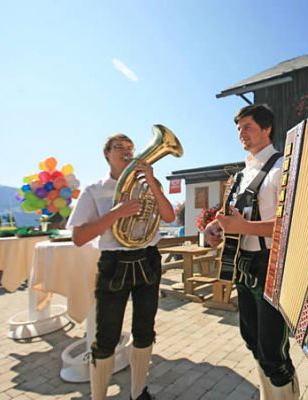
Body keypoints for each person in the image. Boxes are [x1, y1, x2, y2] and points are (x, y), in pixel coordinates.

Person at [68, 133, 175, 400]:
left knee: (144, 331)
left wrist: (151, 180)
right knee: (106, 336)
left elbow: (169, 216)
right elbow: (79, 237)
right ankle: (98, 396)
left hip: (148, 259)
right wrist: (117, 212)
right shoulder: (94, 190)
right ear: (107, 153)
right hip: (114, 263)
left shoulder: (148, 184)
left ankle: (138, 392)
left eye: (130, 148)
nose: (127, 152)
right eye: (119, 148)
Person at [204, 104, 300, 400]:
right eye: (238, 128)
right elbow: (231, 217)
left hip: (272, 265)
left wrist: (244, 227)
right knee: (251, 340)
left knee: (273, 350)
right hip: (242, 265)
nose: (240, 133)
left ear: (267, 129)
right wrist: (215, 228)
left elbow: (294, 224)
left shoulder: (283, 166)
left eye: (247, 127)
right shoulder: (240, 174)